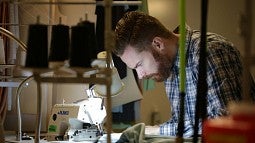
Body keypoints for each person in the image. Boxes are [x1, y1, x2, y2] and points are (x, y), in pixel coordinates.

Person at [112, 11, 255, 137]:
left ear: (158, 44)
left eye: (139, 65)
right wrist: (159, 130)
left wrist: (158, 130)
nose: (141, 75)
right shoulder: (168, 66)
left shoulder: (207, 52)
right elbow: (182, 124)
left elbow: (225, 123)